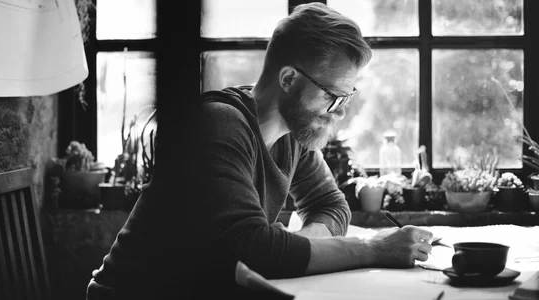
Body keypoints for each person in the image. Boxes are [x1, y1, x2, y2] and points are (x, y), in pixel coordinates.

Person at [87, 3, 433, 299]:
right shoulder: (218, 124)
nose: (341, 111)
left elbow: (329, 204)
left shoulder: (294, 134)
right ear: (288, 79)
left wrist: (300, 244)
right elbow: (252, 249)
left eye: (347, 97)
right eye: (333, 96)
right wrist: (374, 248)